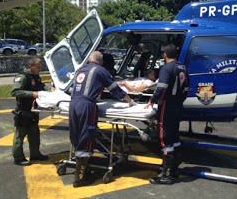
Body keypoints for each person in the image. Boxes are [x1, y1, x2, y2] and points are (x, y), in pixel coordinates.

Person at [69, 51, 135, 188]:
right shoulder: (101, 70)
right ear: (101, 61)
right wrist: (130, 101)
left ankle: (81, 168)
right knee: (87, 137)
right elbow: (115, 89)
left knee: (77, 136)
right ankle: (80, 177)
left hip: (73, 104)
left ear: (89, 60)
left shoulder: (81, 69)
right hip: (87, 105)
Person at [145, 44, 189, 185]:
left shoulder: (166, 69)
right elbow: (187, 89)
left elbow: (161, 89)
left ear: (164, 55)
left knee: (165, 139)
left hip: (167, 107)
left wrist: (152, 101)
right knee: (174, 137)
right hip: (178, 106)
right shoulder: (183, 68)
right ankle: (174, 171)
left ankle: (165, 175)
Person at [11, 57, 50, 166]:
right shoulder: (22, 77)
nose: (40, 69)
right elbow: (15, 91)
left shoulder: (36, 77)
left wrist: (50, 89)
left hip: (33, 111)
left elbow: (41, 86)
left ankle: (35, 154)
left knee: (34, 135)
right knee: (20, 136)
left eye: (40, 66)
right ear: (30, 66)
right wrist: (31, 94)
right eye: (38, 67)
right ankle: (18, 158)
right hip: (23, 112)